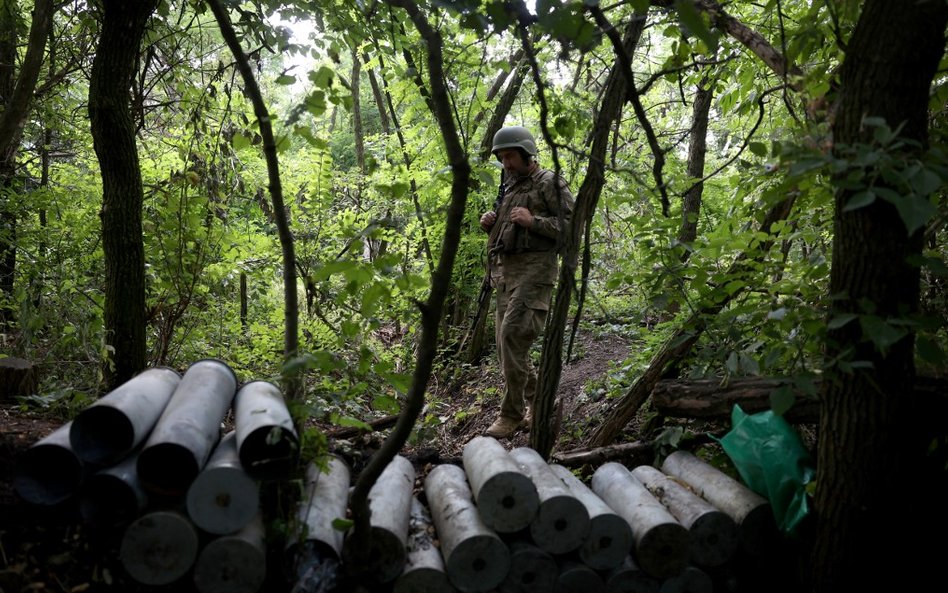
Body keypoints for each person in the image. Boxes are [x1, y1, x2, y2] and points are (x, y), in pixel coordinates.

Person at [479, 126, 575, 439]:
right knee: (507, 348)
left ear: (525, 153)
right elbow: (509, 230)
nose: (506, 163)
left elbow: (573, 227)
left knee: (511, 336)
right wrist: (491, 223)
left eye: (510, 156)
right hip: (506, 273)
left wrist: (533, 221)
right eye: (502, 157)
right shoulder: (508, 187)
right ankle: (537, 403)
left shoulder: (549, 181)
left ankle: (511, 415)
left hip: (536, 271)